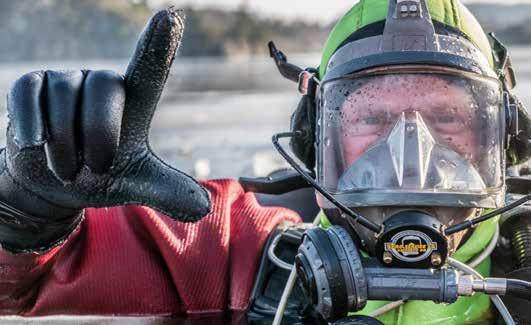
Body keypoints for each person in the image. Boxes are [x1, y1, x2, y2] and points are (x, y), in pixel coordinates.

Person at [0, 1, 529, 324]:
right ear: (313, 139)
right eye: (371, 119)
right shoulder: (235, 250)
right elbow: (23, 291)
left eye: (447, 117)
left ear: (502, 138)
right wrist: (26, 213)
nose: (410, 154)